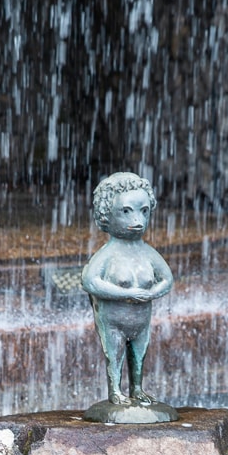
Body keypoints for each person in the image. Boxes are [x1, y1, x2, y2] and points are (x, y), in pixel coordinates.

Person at [82, 172, 174, 407]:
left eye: (144, 211)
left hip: (141, 320)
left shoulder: (147, 252)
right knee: (114, 355)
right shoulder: (108, 254)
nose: (138, 220)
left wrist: (153, 293)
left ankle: (137, 388)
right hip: (113, 321)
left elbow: (167, 279)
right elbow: (90, 281)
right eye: (126, 211)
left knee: (139, 354)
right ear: (107, 214)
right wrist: (127, 294)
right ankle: (115, 390)